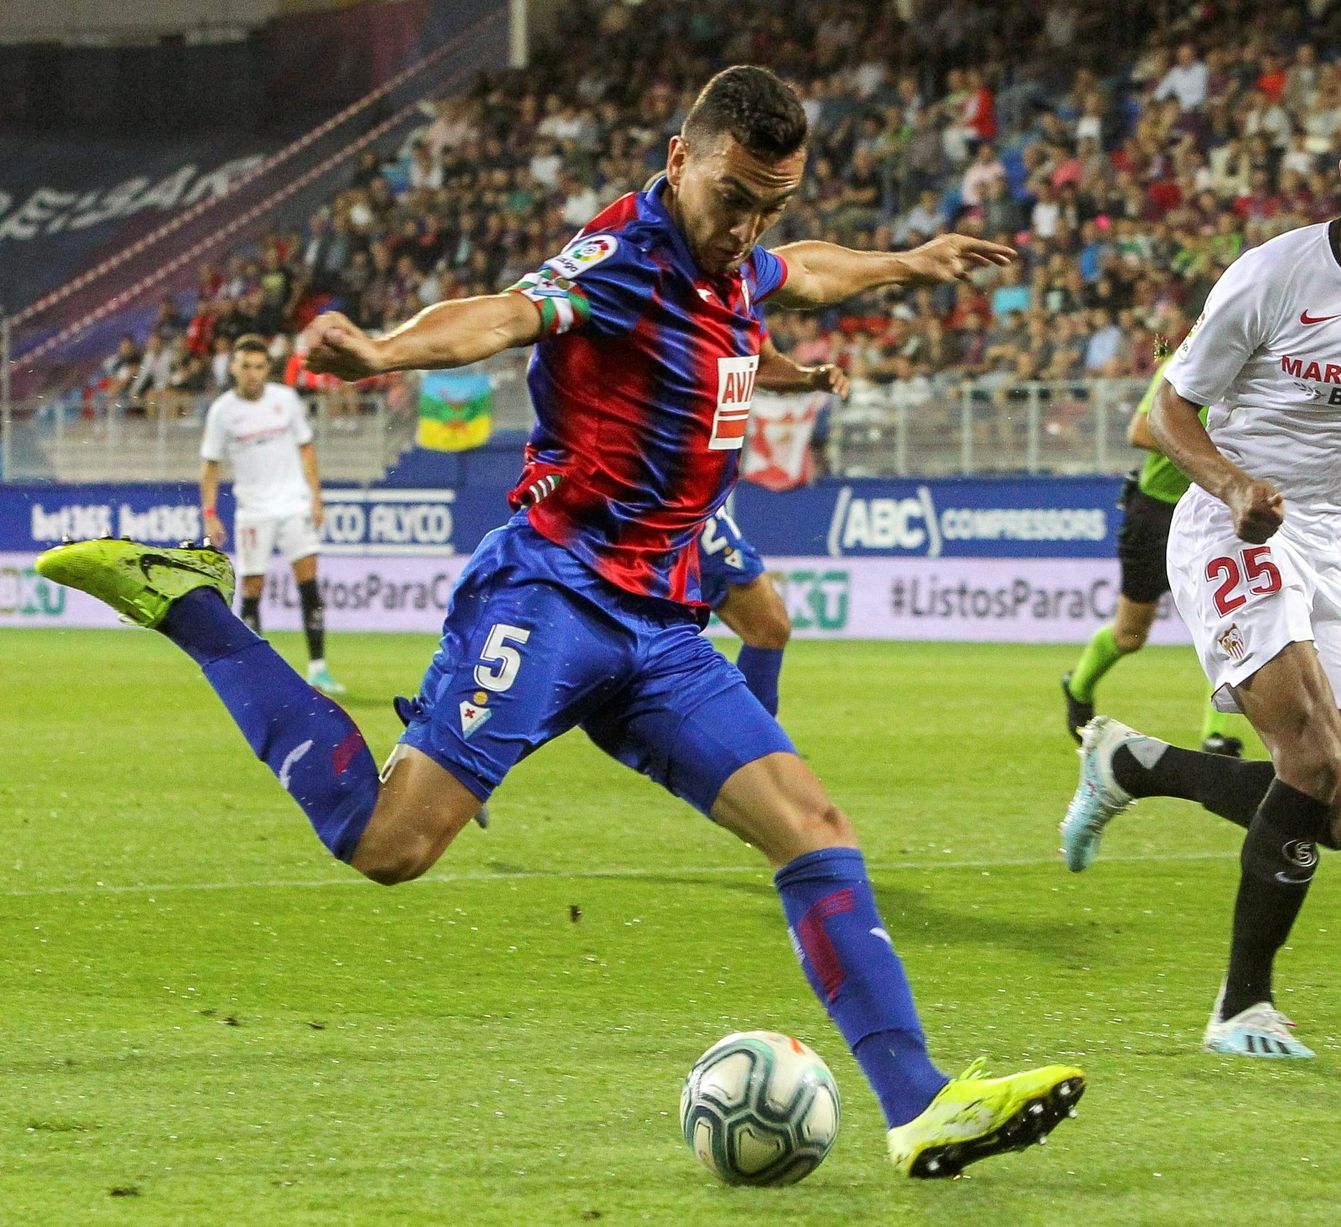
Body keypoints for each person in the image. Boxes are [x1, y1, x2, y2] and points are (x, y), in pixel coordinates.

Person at [39, 66, 1083, 1178]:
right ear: (679, 160)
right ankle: (195, 607)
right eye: (733, 197)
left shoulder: (737, 260)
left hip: (663, 629)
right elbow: (505, 313)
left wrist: (907, 261)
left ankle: (918, 1105)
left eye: (769, 205)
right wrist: (386, 350)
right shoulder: (624, 254)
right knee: (388, 844)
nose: (745, 227)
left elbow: (806, 269)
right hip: (554, 596)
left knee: (815, 830)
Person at [1059, 90, 1341, 1059]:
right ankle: (1240, 1007)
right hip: (1227, 526)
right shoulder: (1272, 276)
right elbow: (1165, 414)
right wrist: (1233, 484)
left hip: (1323, 544)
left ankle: (1134, 764)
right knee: (1310, 759)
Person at [1063, 348, 1247, 757]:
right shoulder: (1187, 362)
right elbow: (1141, 432)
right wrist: (1208, 456)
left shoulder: (1264, 372)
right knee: (1129, 636)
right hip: (1156, 512)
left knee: (1228, 622)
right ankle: (1078, 686)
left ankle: (1215, 735)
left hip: (1216, 510)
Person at [698, 338, 849, 717]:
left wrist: (808, 378)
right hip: (643, 492)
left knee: (768, 626)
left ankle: (750, 743)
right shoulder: (659, 310)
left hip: (697, 504)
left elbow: (762, 364)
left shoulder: (743, 308)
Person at [198, 334, 344, 696]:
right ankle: (255, 672)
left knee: (308, 583)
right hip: (254, 511)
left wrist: (316, 497)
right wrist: (210, 514)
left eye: (259, 367)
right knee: (252, 589)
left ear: (267, 369)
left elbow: (306, 448)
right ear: (234, 368)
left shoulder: (286, 400)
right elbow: (211, 465)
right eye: (246, 366)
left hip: (294, 503)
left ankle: (318, 668)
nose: (252, 373)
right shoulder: (222, 411)